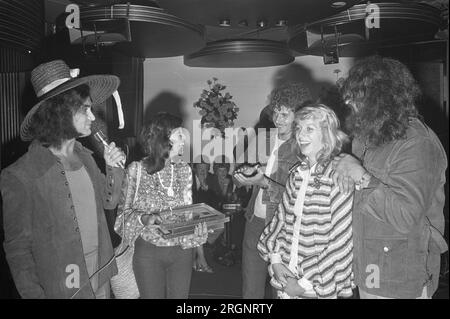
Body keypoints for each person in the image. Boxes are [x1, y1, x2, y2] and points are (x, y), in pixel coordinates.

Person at [0, 60, 126, 298]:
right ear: (60, 112)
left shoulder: (87, 157)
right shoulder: (20, 175)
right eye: (85, 109)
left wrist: (113, 169)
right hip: (64, 287)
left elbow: (108, 203)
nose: (92, 115)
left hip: (100, 273)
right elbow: (18, 251)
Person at [333, 55, 448, 299]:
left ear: (381, 97)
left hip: (401, 271)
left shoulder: (417, 143)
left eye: (356, 94)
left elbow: (405, 215)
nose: (347, 100)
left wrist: (361, 176)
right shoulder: (365, 137)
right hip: (368, 261)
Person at [257, 104, 354, 299]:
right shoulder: (297, 174)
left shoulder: (338, 176)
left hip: (317, 285)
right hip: (287, 274)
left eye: (310, 129)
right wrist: (275, 260)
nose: (301, 135)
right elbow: (280, 220)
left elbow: (341, 242)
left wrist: (303, 284)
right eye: (299, 128)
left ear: (327, 135)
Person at [115, 112, 208, 299]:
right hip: (148, 253)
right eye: (179, 135)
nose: (184, 141)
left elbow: (188, 215)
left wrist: (198, 234)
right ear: (163, 139)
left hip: (181, 253)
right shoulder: (136, 170)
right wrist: (145, 218)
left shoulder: (184, 170)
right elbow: (121, 219)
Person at [234, 82, 312, 299]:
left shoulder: (303, 147)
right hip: (255, 220)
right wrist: (243, 176)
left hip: (284, 226)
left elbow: (297, 196)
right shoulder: (263, 138)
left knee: (282, 288)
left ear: (298, 116)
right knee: (251, 288)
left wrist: (264, 182)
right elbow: (238, 176)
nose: (278, 119)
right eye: (276, 113)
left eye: (285, 114)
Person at [192, 162, 218, 273]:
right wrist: (200, 187)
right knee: (199, 228)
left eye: (205, 169)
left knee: (219, 227)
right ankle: (202, 260)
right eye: (200, 168)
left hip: (204, 216)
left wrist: (206, 190)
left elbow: (216, 202)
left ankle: (196, 259)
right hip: (188, 215)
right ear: (195, 169)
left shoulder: (211, 180)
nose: (203, 171)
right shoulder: (189, 178)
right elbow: (191, 202)